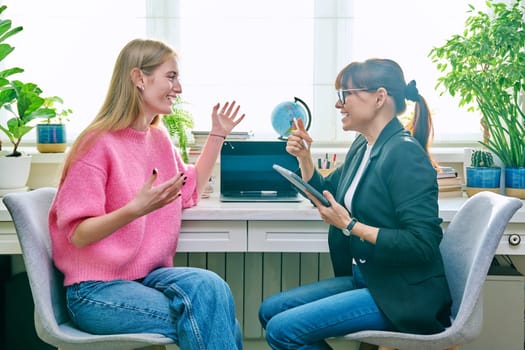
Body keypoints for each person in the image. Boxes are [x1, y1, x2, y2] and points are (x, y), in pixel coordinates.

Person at [48, 38, 245, 349]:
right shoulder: (96, 143)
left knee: (211, 288)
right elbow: (78, 234)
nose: (178, 88)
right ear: (139, 78)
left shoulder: (158, 139)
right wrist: (134, 209)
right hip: (95, 292)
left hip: (145, 278)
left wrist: (217, 134)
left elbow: (187, 189)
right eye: (171, 76)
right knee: (216, 321)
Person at [258, 58, 452, 350]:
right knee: (269, 311)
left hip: (401, 293)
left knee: (283, 331)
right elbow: (328, 194)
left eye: (345, 94)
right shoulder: (364, 145)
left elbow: (423, 243)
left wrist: (350, 225)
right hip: (370, 278)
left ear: (379, 97)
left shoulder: (404, 154)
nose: (339, 105)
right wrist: (305, 158)